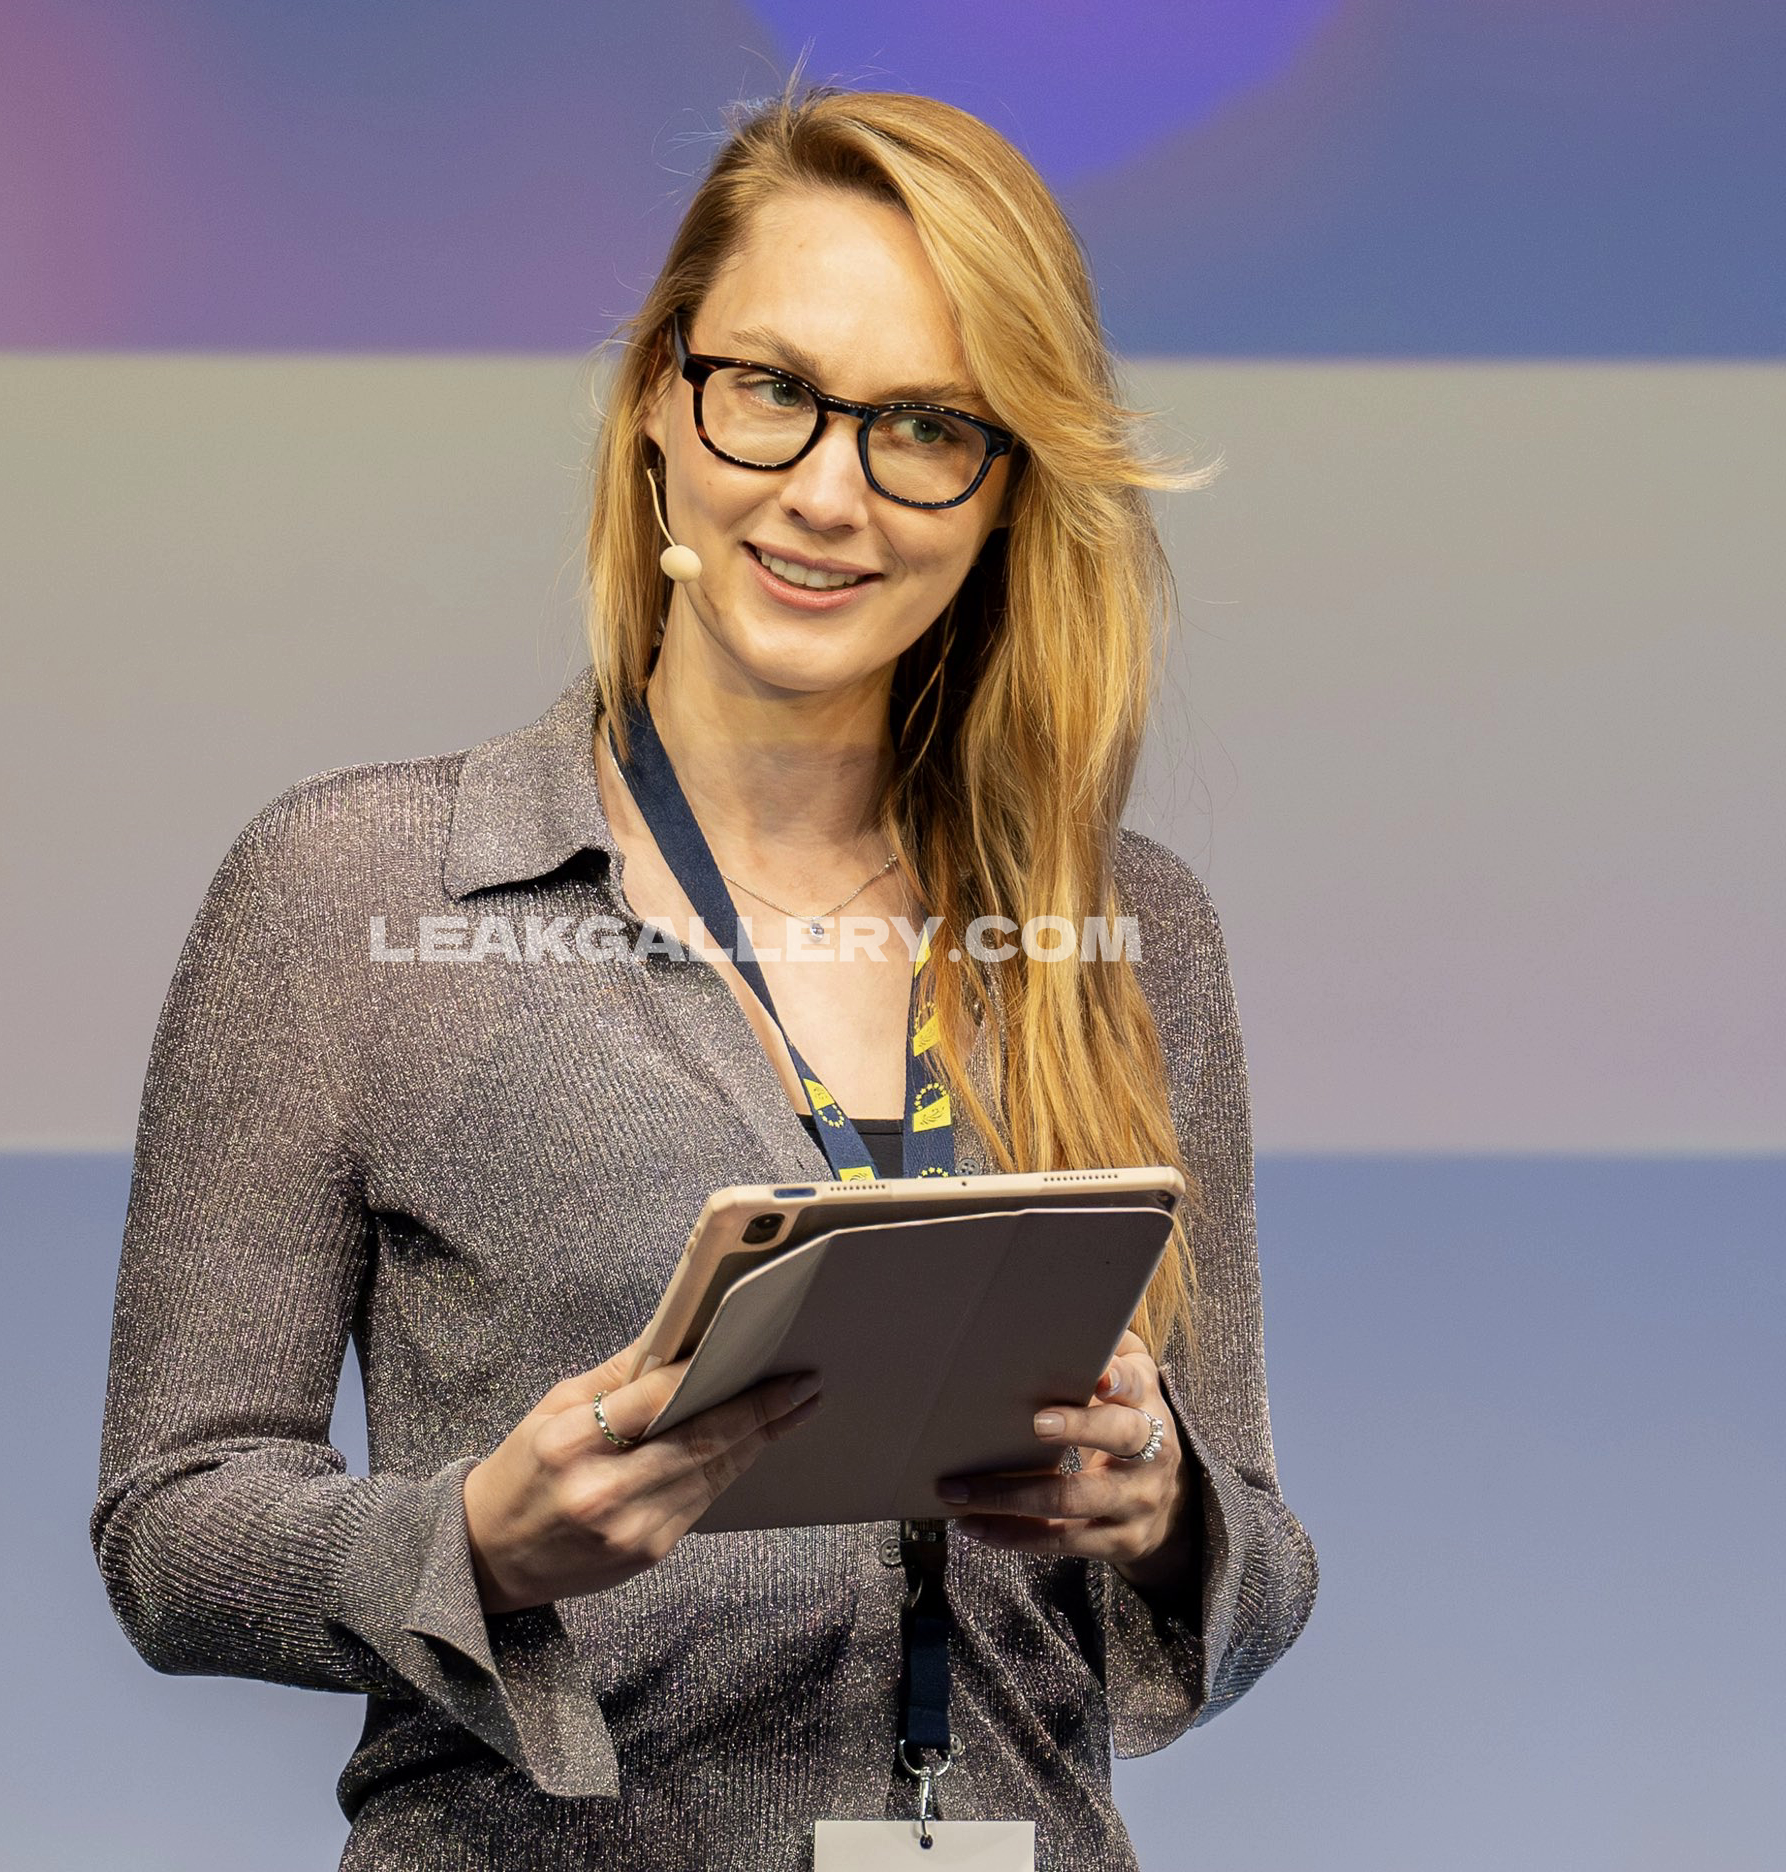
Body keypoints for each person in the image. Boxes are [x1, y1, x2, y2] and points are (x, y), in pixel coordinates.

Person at [92, 84, 1317, 1871]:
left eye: (925, 427)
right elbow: (170, 1530)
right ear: (660, 400)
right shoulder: (354, 889)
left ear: (1003, 493)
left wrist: (1163, 1512)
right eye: (772, 391)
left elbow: (1260, 1567)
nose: (827, 492)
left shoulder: (1126, 928)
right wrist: (469, 1544)